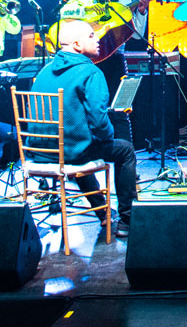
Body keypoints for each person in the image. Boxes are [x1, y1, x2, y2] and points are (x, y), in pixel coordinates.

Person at [31, 22, 137, 238]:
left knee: (82, 147)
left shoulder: (42, 71)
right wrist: (106, 138)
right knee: (124, 150)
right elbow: (99, 122)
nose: (97, 39)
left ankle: (103, 212)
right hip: (70, 152)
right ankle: (127, 219)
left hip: (39, 152)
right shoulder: (90, 72)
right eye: (91, 36)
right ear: (78, 44)